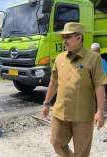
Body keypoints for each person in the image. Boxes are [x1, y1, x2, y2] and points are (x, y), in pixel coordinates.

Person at [42, 22, 106, 157]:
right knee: (56, 142)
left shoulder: (94, 58)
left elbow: (99, 85)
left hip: (83, 116)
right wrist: (46, 103)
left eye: (68, 36)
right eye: (63, 37)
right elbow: (53, 83)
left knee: (82, 152)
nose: (64, 40)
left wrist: (100, 112)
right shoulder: (59, 58)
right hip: (60, 114)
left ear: (79, 38)